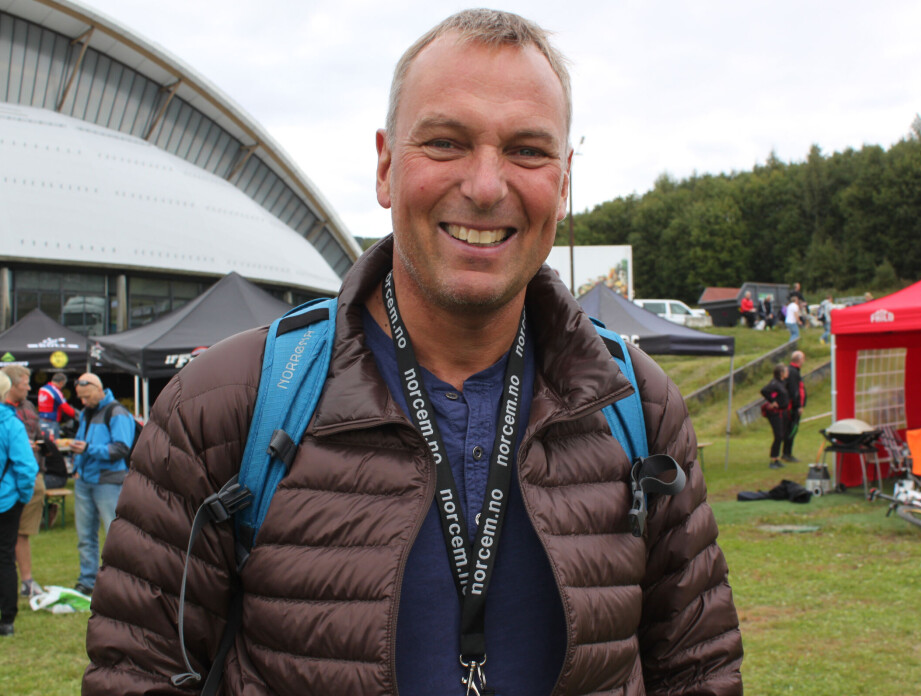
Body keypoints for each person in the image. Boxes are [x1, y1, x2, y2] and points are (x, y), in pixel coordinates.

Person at [82, 10, 743, 695]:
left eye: (527, 150)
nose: (487, 186)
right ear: (386, 166)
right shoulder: (230, 403)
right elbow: (138, 675)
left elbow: (699, 671)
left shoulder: (635, 403)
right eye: (446, 143)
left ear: (564, 178)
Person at [69, 373, 135, 596]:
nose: (84, 402)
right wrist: (77, 468)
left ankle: (120, 580)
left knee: (114, 534)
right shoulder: (86, 413)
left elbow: (121, 449)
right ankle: (87, 581)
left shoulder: (117, 413)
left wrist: (87, 449)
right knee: (85, 536)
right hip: (85, 481)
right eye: (81, 398)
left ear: (99, 389)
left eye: (87, 397)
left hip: (108, 483)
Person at [0, 372, 39, 637]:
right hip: (7, 500)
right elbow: (27, 467)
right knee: (5, 557)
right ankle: (7, 620)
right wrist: (23, 495)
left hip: (7, 497)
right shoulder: (10, 423)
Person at [760, 365, 790, 469]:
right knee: (778, 435)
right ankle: (773, 459)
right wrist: (772, 401)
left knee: (782, 434)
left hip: (783, 412)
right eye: (786, 371)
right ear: (781, 373)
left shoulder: (783, 383)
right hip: (775, 413)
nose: (788, 372)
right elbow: (764, 391)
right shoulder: (775, 383)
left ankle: (777, 458)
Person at [782, 351, 806, 464]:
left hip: (792, 406)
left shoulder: (793, 371)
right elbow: (794, 391)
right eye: (803, 359)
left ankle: (787, 453)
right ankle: (787, 453)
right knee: (792, 429)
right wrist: (798, 406)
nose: (804, 361)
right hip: (792, 407)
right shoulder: (793, 372)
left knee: (791, 429)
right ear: (799, 360)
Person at [37, 372, 77, 437]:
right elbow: (65, 407)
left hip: (41, 421)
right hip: (51, 422)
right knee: (54, 445)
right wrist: (75, 414)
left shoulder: (42, 389)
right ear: (61, 383)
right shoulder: (55, 391)